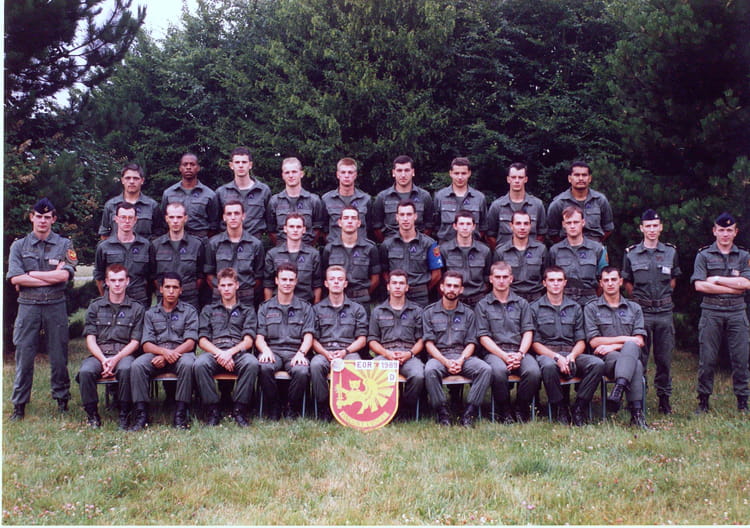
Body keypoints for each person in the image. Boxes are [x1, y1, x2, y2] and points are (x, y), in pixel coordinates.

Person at [7, 198, 78, 420]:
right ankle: (19, 404)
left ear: (53, 219)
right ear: (32, 217)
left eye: (47, 217)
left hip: (55, 305)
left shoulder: (64, 245)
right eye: (39, 216)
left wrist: (31, 275)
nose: (42, 221)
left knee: (58, 355)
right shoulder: (19, 246)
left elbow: (64, 276)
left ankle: (62, 400)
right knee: (24, 355)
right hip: (28, 306)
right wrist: (51, 276)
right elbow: (15, 278)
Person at [622, 209, 681, 414]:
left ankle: (664, 398)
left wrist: (661, 299)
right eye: (648, 226)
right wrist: (641, 301)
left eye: (655, 226)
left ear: (661, 227)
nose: (652, 230)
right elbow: (627, 282)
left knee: (664, 359)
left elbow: (673, 280)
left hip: (664, 312)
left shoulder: (670, 252)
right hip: (642, 312)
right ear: (642, 228)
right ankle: (638, 397)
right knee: (640, 358)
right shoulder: (631, 253)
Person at [691, 212, 750, 413]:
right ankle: (703, 401)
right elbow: (699, 285)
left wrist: (716, 280)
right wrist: (733, 287)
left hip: (737, 312)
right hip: (711, 311)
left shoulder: (744, 256)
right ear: (714, 231)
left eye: (729, 230)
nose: (725, 234)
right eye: (721, 230)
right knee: (707, 359)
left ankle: (742, 401)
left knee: (741, 359)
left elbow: (746, 283)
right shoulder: (704, 255)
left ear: (735, 232)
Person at [530, 266, 604, 426]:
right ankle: (560, 408)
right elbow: (535, 343)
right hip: (547, 354)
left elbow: (581, 341)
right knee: (549, 366)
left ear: (565, 283)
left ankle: (579, 407)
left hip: (571, 352)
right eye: (551, 280)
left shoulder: (575, 307)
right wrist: (556, 357)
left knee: (597, 364)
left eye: (559, 280)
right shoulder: (535, 308)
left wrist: (572, 356)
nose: (555, 284)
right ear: (544, 283)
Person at [77, 264, 144, 429]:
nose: (117, 284)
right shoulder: (95, 306)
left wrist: (115, 359)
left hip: (124, 354)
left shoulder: (137, 308)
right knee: (86, 371)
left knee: (127, 368)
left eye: (121, 280)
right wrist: (103, 359)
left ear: (127, 281)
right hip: (100, 353)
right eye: (113, 280)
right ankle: (92, 415)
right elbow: (90, 338)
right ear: (106, 282)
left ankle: (124, 414)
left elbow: (135, 342)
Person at [130, 272, 199, 430]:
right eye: (167, 287)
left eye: (175, 287)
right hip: (156, 354)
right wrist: (163, 353)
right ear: (160, 289)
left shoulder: (189, 311)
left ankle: (181, 414)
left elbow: (190, 342)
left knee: (188, 364)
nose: (171, 291)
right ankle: (141, 414)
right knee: (137, 365)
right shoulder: (150, 313)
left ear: (181, 290)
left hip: (181, 353)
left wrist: (169, 355)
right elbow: (146, 344)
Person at [474, 262, 541, 423]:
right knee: (498, 371)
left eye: (505, 277)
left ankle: (521, 407)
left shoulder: (522, 303)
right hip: (494, 352)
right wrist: (504, 356)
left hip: (519, 350)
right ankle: (504, 409)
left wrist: (520, 354)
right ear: (491, 279)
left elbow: (528, 332)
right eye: (497, 277)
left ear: (511, 279)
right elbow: (483, 337)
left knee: (533, 372)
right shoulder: (482, 305)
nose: (501, 281)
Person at [423, 271, 491, 426]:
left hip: (463, 356)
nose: (452, 289)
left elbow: (471, 342)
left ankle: (470, 412)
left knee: (485, 369)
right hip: (439, 357)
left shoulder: (469, 313)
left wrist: (461, 360)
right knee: (429, 370)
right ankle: (442, 412)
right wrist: (445, 362)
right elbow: (428, 344)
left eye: (456, 286)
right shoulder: (429, 312)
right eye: (448, 285)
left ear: (461, 290)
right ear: (441, 287)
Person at [194, 267, 259, 427]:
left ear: (237, 285)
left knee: (251, 363)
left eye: (230, 285)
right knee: (200, 364)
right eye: (223, 285)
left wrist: (230, 353)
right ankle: (213, 410)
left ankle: (239, 409)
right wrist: (220, 353)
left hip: (238, 352)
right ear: (218, 287)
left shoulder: (247, 310)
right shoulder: (208, 310)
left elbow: (248, 340)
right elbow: (202, 340)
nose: (226, 289)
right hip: (215, 352)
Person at [584, 267, 648, 428]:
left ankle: (619, 388)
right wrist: (626, 339)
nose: (610, 283)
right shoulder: (592, 308)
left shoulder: (634, 308)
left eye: (613, 279)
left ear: (621, 282)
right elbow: (594, 342)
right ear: (601, 283)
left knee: (633, 356)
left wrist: (612, 345)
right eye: (606, 280)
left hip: (627, 355)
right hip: (606, 361)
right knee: (635, 361)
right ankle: (637, 415)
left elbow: (640, 341)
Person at [255, 263, 316, 419]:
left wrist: (301, 353)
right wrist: (265, 351)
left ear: (296, 281)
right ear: (276, 281)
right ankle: (274, 405)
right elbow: (259, 337)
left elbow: (309, 335)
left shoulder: (306, 308)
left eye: (291, 280)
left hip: (295, 352)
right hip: (273, 351)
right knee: (264, 367)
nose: (287, 283)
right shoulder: (265, 307)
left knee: (301, 371)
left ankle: (291, 406)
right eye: (283, 279)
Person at [310, 266, 369, 420]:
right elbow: (312, 339)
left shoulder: (357, 309)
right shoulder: (316, 309)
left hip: (348, 351)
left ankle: (351, 407)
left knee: (355, 364)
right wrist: (325, 353)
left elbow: (362, 339)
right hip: (325, 351)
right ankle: (324, 407)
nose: (336, 282)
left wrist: (345, 352)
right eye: (332, 279)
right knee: (315, 364)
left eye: (340, 279)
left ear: (345, 283)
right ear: (326, 283)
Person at [368, 270, 425, 420]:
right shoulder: (378, 311)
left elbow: (421, 340)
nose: (398, 286)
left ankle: (406, 408)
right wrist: (386, 354)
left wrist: (410, 354)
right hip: (385, 354)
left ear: (407, 287)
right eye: (394, 283)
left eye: (401, 283)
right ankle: (379, 407)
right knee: (369, 373)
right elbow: (372, 340)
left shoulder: (417, 311)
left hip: (409, 354)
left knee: (418, 375)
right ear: (388, 287)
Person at [379, 200, 443, 307]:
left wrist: (423, 289)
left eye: (409, 214)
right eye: (402, 215)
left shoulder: (429, 244)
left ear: (415, 216)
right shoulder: (387, 244)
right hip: (395, 294)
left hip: (419, 296)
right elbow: (384, 272)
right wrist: (395, 287)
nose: (405, 219)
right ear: (397, 217)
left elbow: (437, 274)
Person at [94, 202, 154, 308]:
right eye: (123, 217)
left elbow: (151, 277)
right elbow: (99, 276)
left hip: (139, 301)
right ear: (116, 219)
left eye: (130, 218)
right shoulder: (104, 247)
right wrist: (106, 298)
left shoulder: (146, 245)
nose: (127, 221)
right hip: (113, 301)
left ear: (135, 220)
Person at [205, 200, 265, 307]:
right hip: (220, 299)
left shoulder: (255, 244)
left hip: (246, 299)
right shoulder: (213, 243)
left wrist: (245, 291)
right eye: (229, 214)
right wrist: (223, 290)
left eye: (237, 213)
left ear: (243, 216)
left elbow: (259, 277)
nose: (233, 217)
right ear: (224, 217)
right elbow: (209, 275)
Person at [320, 206, 380, 308]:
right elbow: (323, 276)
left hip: (361, 301)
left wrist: (362, 293)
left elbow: (375, 279)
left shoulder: (370, 248)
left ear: (359, 223)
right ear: (340, 222)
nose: (350, 221)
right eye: (346, 218)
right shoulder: (329, 249)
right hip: (336, 300)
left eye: (353, 218)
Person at [548, 205, 608, 305]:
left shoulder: (597, 249)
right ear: (563, 224)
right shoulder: (555, 250)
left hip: (590, 302)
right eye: (569, 222)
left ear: (583, 223)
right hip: (563, 302)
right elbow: (549, 279)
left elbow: (604, 280)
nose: (572, 226)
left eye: (576, 222)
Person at [151, 202, 206, 310]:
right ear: (166, 219)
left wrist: (187, 289)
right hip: (164, 300)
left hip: (190, 299)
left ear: (185, 218)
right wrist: (167, 291)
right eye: (171, 217)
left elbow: (200, 276)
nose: (175, 221)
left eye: (179, 217)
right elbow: (153, 276)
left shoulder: (197, 244)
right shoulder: (156, 245)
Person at [546, 161, 613, 243]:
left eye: (584, 175)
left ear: (589, 178)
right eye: (577, 175)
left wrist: (595, 245)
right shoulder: (559, 203)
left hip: (595, 247)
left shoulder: (600, 200)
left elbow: (608, 228)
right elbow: (552, 232)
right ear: (570, 178)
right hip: (568, 247)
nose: (581, 178)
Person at [371, 155, 435, 242]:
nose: (403, 175)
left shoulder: (424, 197)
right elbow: (377, 227)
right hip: (391, 246)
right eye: (399, 170)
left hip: (418, 246)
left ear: (413, 172)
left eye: (407, 170)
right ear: (393, 173)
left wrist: (419, 243)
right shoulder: (382, 197)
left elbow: (429, 226)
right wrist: (387, 244)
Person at [264, 213, 322, 304]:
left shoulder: (313, 255)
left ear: (304, 230)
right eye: (291, 226)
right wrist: (268, 306)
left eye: (298, 227)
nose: (295, 230)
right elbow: (268, 284)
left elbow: (317, 284)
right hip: (279, 305)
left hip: (306, 304)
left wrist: (315, 305)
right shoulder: (273, 254)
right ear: (285, 229)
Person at [215, 146, 272, 240]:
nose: (241, 165)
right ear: (231, 165)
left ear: (250, 165)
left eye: (244, 162)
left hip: (255, 242)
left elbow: (270, 223)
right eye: (237, 162)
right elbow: (215, 223)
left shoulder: (263, 191)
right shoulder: (222, 192)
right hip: (228, 243)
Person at [160, 153, 220, 240]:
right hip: (175, 239)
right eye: (185, 164)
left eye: (192, 164)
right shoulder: (169, 193)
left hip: (200, 239)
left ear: (198, 168)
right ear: (180, 168)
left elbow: (214, 223)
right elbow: (163, 220)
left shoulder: (209, 195)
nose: (188, 167)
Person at [486, 162, 547, 248]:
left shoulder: (537, 205)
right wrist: (500, 252)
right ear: (508, 179)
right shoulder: (497, 206)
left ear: (526, 179)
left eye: (520, 177)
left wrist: (533, 251)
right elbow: (490, 235)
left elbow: (542, 234)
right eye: (513, 177)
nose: (517, 181)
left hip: (530, 255)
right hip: (504, 255)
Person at [267, 157, 325, 246]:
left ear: (301, 174)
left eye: (294, 172)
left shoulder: (314, 200)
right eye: (287, 172)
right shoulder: (274, 201)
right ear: (283, 175)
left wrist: (307, 248)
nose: (291, 175)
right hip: (282, 251)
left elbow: (318, 229)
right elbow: (271, 230)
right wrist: (283, 248)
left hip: (307, 250)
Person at [438, 209, 491, 306]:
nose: (465, 227)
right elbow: (440, 277)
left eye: (468, 224)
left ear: (473, 226)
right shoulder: (444, 250)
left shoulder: (484, 251)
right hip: (453, 299)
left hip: (478, 300)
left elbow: (487, 278)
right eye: (461, 224)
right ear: (455, 226)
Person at [493, 210, 548, 303]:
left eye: (526, 224)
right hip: (510, 299)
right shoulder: (501, 251)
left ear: (530, 226)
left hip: (536, 299)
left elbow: (546, 277)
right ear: (511, 226)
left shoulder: (541, 249)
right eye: (518, 223)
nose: (522, 227)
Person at [99, 163, 161, 240]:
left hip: (144, 247)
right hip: (117, 247)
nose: (131, 181)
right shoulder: (111, 205)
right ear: (122, 180)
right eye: (128, 178)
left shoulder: (152, 205)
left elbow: (158, 234)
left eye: (136, 178)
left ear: (142, 180)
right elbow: (104, 235)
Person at [432, 157, 488, 243]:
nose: (460, 177)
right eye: (456, 173)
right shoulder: (440, 196)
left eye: (463, 173)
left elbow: (483, 227)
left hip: (472, 248)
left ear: (469, 173)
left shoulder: (479, 198)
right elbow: (435, 225)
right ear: (450, 173)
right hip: (445, 247)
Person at [321, 157, 372, 242]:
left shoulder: (365, 199)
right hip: (335, 247)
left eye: (350, 172)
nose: (347, 176)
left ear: (355, 175)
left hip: (360, 247)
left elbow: (369, 227)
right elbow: (323, 228)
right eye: (343, 172)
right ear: (338, 174)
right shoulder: (327, 199)